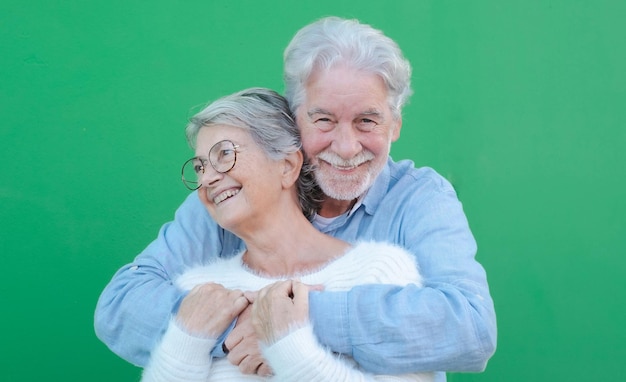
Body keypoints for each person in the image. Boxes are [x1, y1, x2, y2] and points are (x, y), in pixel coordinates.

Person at [95, 16, 496, 380]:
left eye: (367, 121)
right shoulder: (231, 200)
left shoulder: (418, 200)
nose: (345, 145)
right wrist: (236, 327)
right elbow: (122, 306)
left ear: (395, 125)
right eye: (323, 120)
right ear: (294, 117)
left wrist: (294, 323)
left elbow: (469, 327)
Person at [140, 87, 434, 381]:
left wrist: (287, 344)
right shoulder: (198, 291)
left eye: (225, 154)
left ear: (287, 165)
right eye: (199, 166)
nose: (206, 178)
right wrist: (184, 341)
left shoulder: (380, 270)